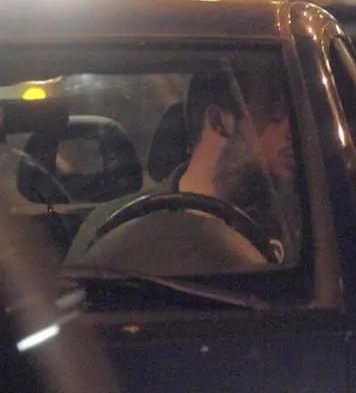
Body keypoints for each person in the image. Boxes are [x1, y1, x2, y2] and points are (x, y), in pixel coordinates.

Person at [64, 56, 299, 274]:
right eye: (275, 114)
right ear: (219, 122)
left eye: (295, 116)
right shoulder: (113, 227)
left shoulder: (305, 229)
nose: (293, 132)